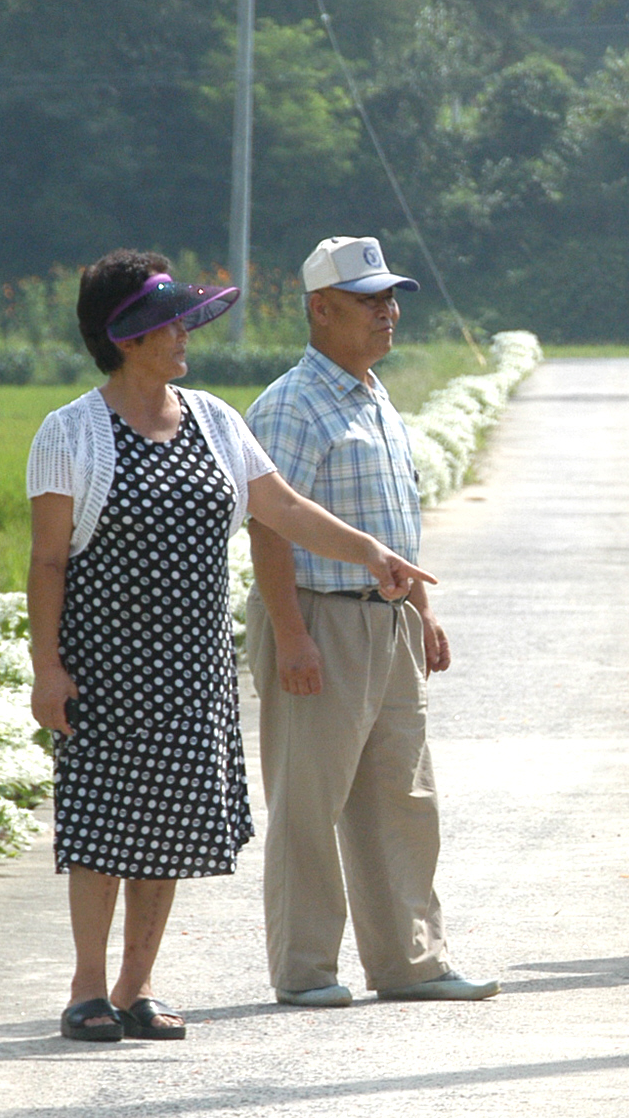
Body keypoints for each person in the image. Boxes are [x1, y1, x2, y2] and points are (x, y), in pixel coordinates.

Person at [28, 250, 429, 1044]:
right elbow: (47, 562)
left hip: (193, 663)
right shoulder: (70, 432)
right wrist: (47, 668)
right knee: (103, 824)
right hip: (106, 662)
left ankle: (137, 985)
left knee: (170, 824)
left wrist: (369, 553)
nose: (184, 335)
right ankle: (87, 987)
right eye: (168, 324)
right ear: (126, 339)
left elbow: (282, 508)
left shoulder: (213, 419)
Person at [244, 236, 497, 1007]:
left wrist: (422, 609)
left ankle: (410, 963)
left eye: (391, 299)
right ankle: (306, 969)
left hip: (388, 623)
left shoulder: (374, 394)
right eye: (369, 301)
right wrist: (291, 636)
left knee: (403, 798)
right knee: (310, 802)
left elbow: (395, 519)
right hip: (318, 618)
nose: (388, 313)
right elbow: (269, 527)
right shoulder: (290, 404)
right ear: (321, 310)